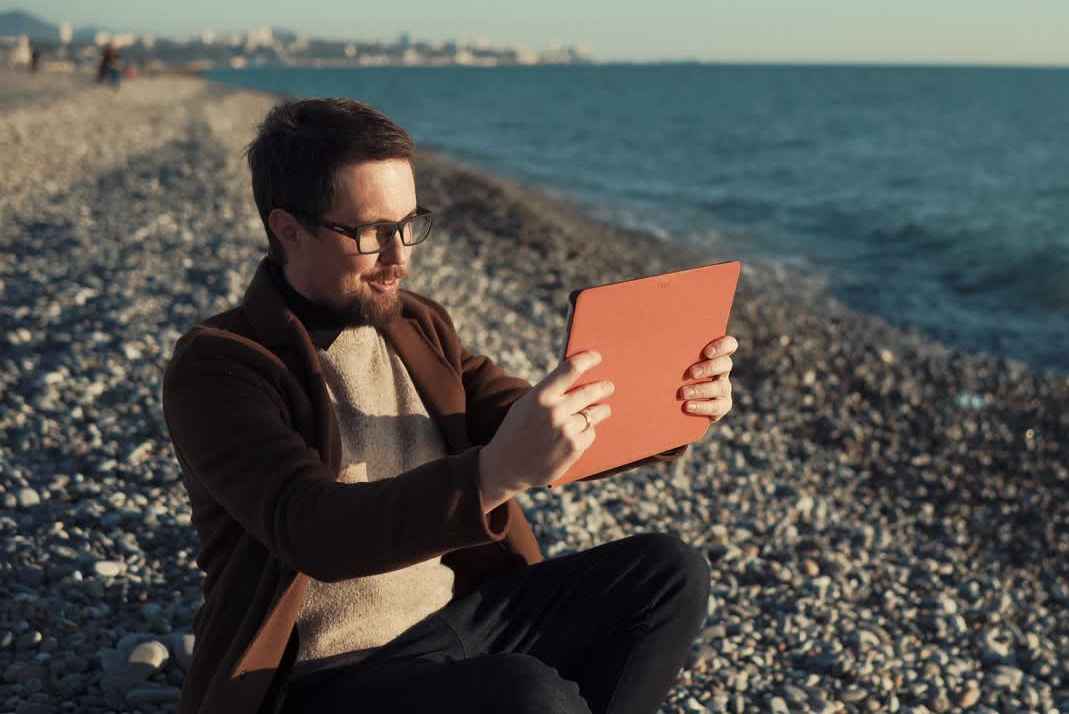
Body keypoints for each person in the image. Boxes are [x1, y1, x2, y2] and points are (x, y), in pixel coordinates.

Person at [162, 98, 739, 714]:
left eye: (411, 223)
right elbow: (313, 531)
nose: (400, 255)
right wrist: (493, 476)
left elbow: (530, 418)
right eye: (371, 232)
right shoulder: (222, 368)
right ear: (288, 228)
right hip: (320, 678)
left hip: (447, 628)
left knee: (668, 572)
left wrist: (675, 397)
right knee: (526, 693)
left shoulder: (417, 323)